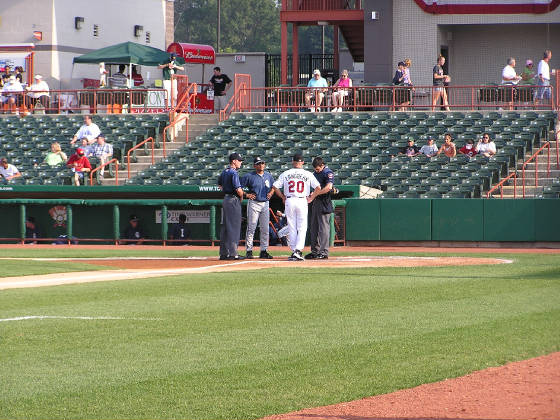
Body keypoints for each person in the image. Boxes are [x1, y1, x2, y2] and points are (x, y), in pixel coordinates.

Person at [272, 153, 321, 261]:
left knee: (292, 227)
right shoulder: (307, 173)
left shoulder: (286, 173)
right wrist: (312, 197)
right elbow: (318, 187)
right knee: (302, 227)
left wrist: (282, 197)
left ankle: (294, 250)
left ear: (293, 162)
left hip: (290, 200)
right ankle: (298, 250)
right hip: (302, 200)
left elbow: (275, 186)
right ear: (302, 162)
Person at [241, 157, 276, 259]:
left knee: (265, 229)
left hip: (265, 203)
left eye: (262, 163)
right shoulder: (249, 176)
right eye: (258, 163)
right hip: (254, 203)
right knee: (251, 227)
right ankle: (249, 250)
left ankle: (264, 250)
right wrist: (246, 195)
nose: (261, 165)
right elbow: (238, 187)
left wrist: (271, 192)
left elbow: (274, 186)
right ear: (254, 165)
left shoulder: (268, 176)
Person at [305, 157, 335, 260]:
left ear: (322, 165)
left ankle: (324, 251)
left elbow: (328, 187)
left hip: (324, 202)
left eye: (317, 169)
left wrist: (316, 194)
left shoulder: (328, 172)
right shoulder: (315, 174)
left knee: (323, 228)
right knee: (314, 228)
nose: (316, 171)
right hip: (316, 202)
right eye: (315, 169)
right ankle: (315, 251)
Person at [217, 152, 245, 260]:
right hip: (233, 200)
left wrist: (225, 190)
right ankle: (233, 253)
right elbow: (238, 190)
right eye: (239, 160)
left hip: (226, 199)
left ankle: (224, 253)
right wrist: (241, 196)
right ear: (234, 161)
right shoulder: (234, 173)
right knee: (234, 227)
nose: (241, 162)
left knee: (226, 227)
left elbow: (219, 185)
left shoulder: (225, 171)